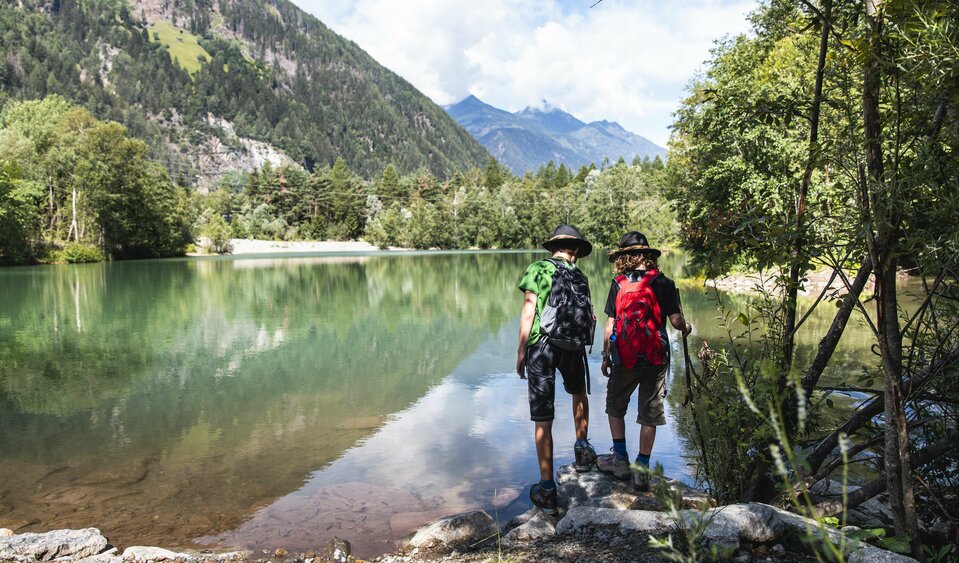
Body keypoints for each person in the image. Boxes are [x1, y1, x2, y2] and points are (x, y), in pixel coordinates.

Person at [596, 231, 692, 491]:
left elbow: (610, 325)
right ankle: (642, 468)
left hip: (624, 357)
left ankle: (620, 460)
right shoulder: (664, 282)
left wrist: (606, 355)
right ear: (648, 256)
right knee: (649, 412)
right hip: (655, 356)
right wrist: (687, 327)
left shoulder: (618, 283)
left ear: (624, 258)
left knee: (615, 406)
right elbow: (675, 322)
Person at [516, 224, 598, 515]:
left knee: (543, 418)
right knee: (579, 393)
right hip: (573, 347)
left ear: (553, 247)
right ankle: (582, 449)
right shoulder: (580, 276)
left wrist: (521, 351)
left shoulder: (538, 268)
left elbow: (529, 310)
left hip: (543, 347)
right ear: (575, 250)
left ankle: (547, 488)